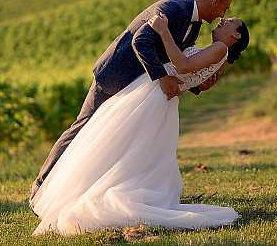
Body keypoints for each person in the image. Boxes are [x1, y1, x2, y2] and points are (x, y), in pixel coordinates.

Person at [31, 12, 249, 235]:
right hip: (161, 96)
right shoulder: (219, 54)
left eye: (230, 22)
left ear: (235, 35)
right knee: (129, 146)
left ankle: (102, 190)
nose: (224, 21)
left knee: (117, 141)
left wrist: (163, 31)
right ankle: (110, 185)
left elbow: (182, 65)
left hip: (154, 94)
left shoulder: (221, 48)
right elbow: (198, 80)